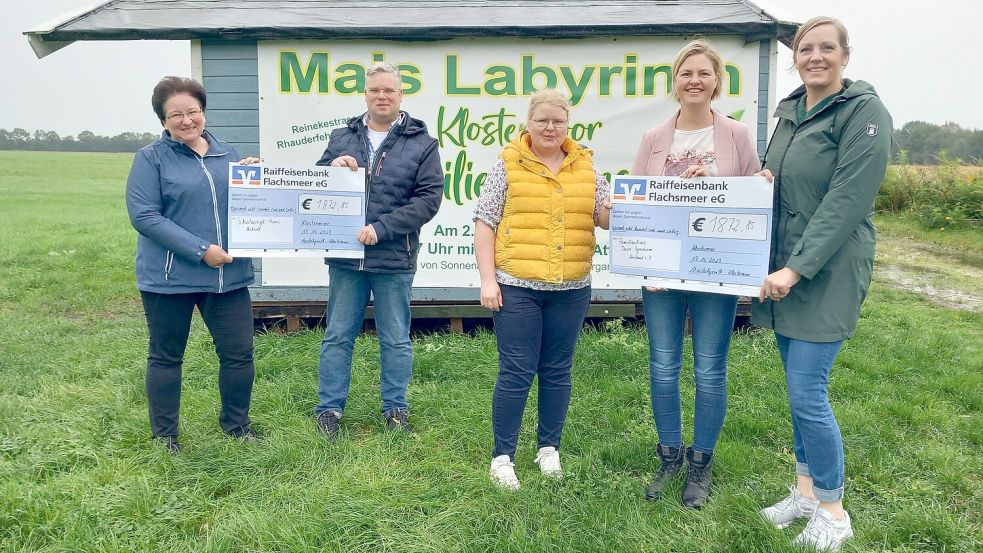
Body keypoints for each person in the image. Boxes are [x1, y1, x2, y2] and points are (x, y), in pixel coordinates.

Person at [753, 17, 892, 552]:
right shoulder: (791, 112)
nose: (815, 56)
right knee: (796, 390)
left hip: (826, 270)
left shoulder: (864, 113)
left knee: (808, 392)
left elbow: (845, 201)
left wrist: (793, 270)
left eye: (826, 48)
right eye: (806, 48)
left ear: (845, 56)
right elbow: (775, 178)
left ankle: (833, 510)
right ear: (796, 57)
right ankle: (806, 492)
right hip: (788, 267)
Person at [630, 40, 761, 508]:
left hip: (715, 272)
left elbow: (750, 204)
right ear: (675, 81)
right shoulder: (653, 139)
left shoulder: (737, 136)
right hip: (663, 275)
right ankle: (669, 456)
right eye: (687, 73)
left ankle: (701, 465)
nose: (695, 81)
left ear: (717, 81)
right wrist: (645, 261)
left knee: (709, 368)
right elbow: (637, 206)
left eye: (704, 74)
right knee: (663, 366)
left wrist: (756, 186)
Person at [474, 88, 611, 490]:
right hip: (517, 287)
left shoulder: (586, 166)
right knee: (516, 370)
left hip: (571, 288)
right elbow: (485, 223)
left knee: (557, 371)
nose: (550, 128)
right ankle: (503, 457)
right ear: (528, 124)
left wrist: (633, 207)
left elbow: (603, 216)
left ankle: (548, 449)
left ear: (568, 125)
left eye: (558, 121)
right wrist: (488, 280)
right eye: (542, 120)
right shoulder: (508, 164)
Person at [126, 76, 260, 454]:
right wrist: (201, 250)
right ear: (163, 120)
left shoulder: (229, 154)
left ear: (203, 112)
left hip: (227, 277)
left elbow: (250, 206)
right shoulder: (150, 159)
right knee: (167, 356)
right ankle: (165, 436)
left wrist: (257, 178)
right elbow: (144, 216)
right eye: (176, 115)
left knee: (239, 354)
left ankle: (237, 426)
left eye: (193, 112)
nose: (187, 121)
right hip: (169, 279)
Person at [313, 62, 443, 439]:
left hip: (394, 257)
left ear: (401, 95)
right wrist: (332, 167)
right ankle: (329, 410)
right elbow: (317, 185)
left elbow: (428, 200)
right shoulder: (342, 137)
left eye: (389, 90)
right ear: (365, 94)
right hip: (345, 256)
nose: (381, 96)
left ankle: (395, 410)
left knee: (395, 337)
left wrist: (382, 229)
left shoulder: (422, 143)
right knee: (337, 334)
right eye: (375, 91)